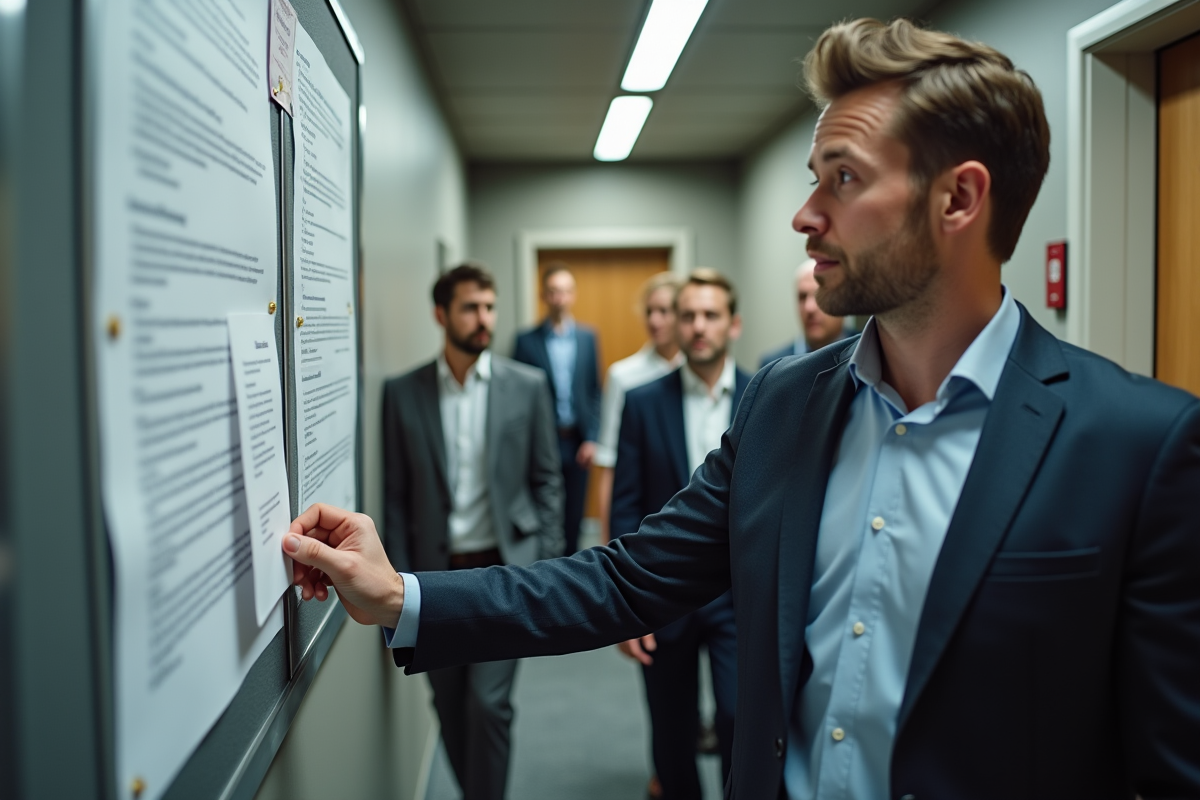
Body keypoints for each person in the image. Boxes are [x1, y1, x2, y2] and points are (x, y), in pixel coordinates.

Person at [287, 18, 1200, 800]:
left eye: (841, 179)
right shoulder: (785, 405)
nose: (805, 217)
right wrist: (400, 593)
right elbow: (624, 580)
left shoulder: (1137, 445)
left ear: (958, 197)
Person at [381, 263, 564, 800]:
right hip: (431, 577)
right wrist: (391, 582)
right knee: (449, 702)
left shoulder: (526, 387)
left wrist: (547, 563)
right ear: (441, 315)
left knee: (488, 703)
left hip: (502, 569)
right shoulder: (402, 393)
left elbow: (547, 480)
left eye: (489, 306)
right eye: (470, 307)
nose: (484, 319)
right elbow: (395, 496)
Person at [613, 268, 748, 800]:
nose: (697, 326)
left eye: (710, 315)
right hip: (664, 594)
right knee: (672, 732)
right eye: (687, 314)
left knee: (742, 718)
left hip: (740, 593)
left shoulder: (770, 394)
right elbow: (625, 503)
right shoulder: (643, 402)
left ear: (732, 324)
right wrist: (626, 605)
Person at [513, 264, 601, 555]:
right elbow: (519, 399)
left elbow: (594, 390)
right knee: (546, 511)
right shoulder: (526, 341)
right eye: (553, 292)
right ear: (543, 296)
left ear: (572, 295)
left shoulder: (588, 338)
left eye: (564, 291)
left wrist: (592, 437)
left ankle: (573, 575)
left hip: (577, 442)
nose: (559, 298)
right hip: (542, 442)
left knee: (574, 515)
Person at [593, 271, 684, 545]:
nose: (655, 320)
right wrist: (608, 542)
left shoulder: (698, 374)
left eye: (665, 311)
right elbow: (609, 462)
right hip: (646, 517)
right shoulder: (623, 376)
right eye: (650, 311)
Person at [760, 259, 851, 368]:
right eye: (802, 297)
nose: (809, 308)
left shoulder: (867, 351)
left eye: (820, 296)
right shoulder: (773, 367)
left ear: (843, 300)